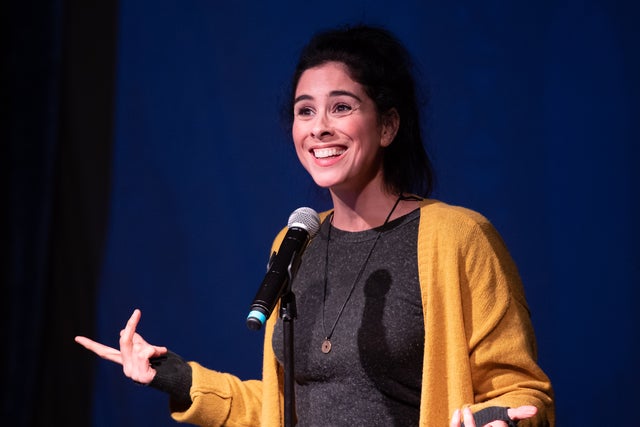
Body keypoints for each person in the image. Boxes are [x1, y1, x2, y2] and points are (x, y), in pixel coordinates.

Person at [75, 25, 554, 426]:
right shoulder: (294, 242)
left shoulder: (458, 237)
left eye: (341, 107)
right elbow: (283, 409)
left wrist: (501, 419)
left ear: (387, 126)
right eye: (305, 111)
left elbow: (522, 389)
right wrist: (174, 376)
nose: (319, 127)